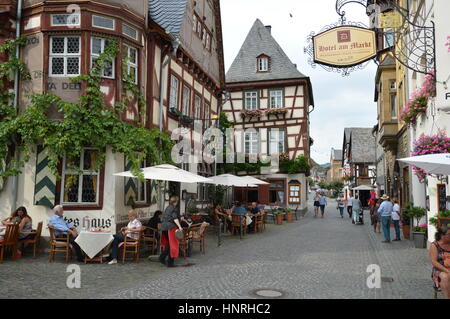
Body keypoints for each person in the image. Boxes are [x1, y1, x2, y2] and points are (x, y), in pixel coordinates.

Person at [159, 196, 183, 267]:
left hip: (164, 228)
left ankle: (163, 259)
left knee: (169, 245)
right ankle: (168, 262)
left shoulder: (168, 207)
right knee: (173, 244)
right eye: (177, 202)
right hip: (170, 227)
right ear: (175, 202)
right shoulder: (173, 208)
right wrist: (179, 226)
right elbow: (174, 218)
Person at [430, 226, 450, 299]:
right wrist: (447, 270)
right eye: (449, 234)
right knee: (445, 277)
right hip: (439, 269)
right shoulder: (435, 245)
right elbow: (434, 262)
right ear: (442, 235)